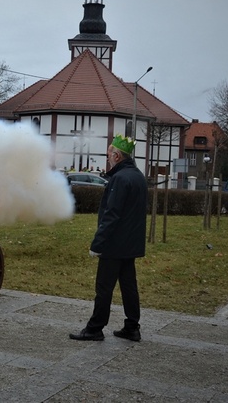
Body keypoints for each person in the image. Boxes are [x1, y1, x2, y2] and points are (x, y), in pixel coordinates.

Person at [70, 134, 147, 342]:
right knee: (129, 286)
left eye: (109, 155)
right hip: (131, 244)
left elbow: (111, 214)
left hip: (114, 245)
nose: (108, 159)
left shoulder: (120, 179)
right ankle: (132, 327)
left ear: (117, 155)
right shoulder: (139, 176)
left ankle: (95, 328)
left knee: (104, 288)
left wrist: (98, 243)